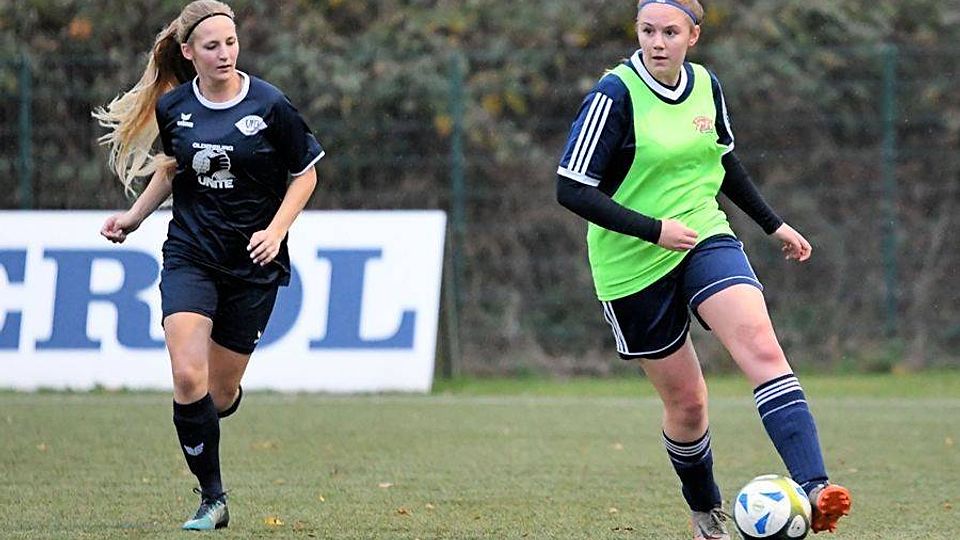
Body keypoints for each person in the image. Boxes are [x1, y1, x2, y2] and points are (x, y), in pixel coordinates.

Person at [555, 1, 851, 538]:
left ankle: (815, 487)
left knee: (762, 347)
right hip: (630, 266)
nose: (657, 42)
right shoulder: (614, 95)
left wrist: (773, 224)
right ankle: (705, 510)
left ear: (693, 35)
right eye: (647, 30)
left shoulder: (706, 86)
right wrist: (653, 230)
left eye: (670, 32)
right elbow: (571, 189)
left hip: (702, 235)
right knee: (688, 405)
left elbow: (722, 162)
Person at [93, 0, 324, 530]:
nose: (225, 53)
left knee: (216, 396)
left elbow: (306, 173)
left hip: (251, 264)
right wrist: (132, 218)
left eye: (231, 43)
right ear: (188, 52)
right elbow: (172, 169)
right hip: (190, 255)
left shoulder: (270, 105)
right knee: (186, 374)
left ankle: (218, 406)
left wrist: (275, 230)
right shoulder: (175, 107)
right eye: (212, 45)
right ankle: (212, 498)